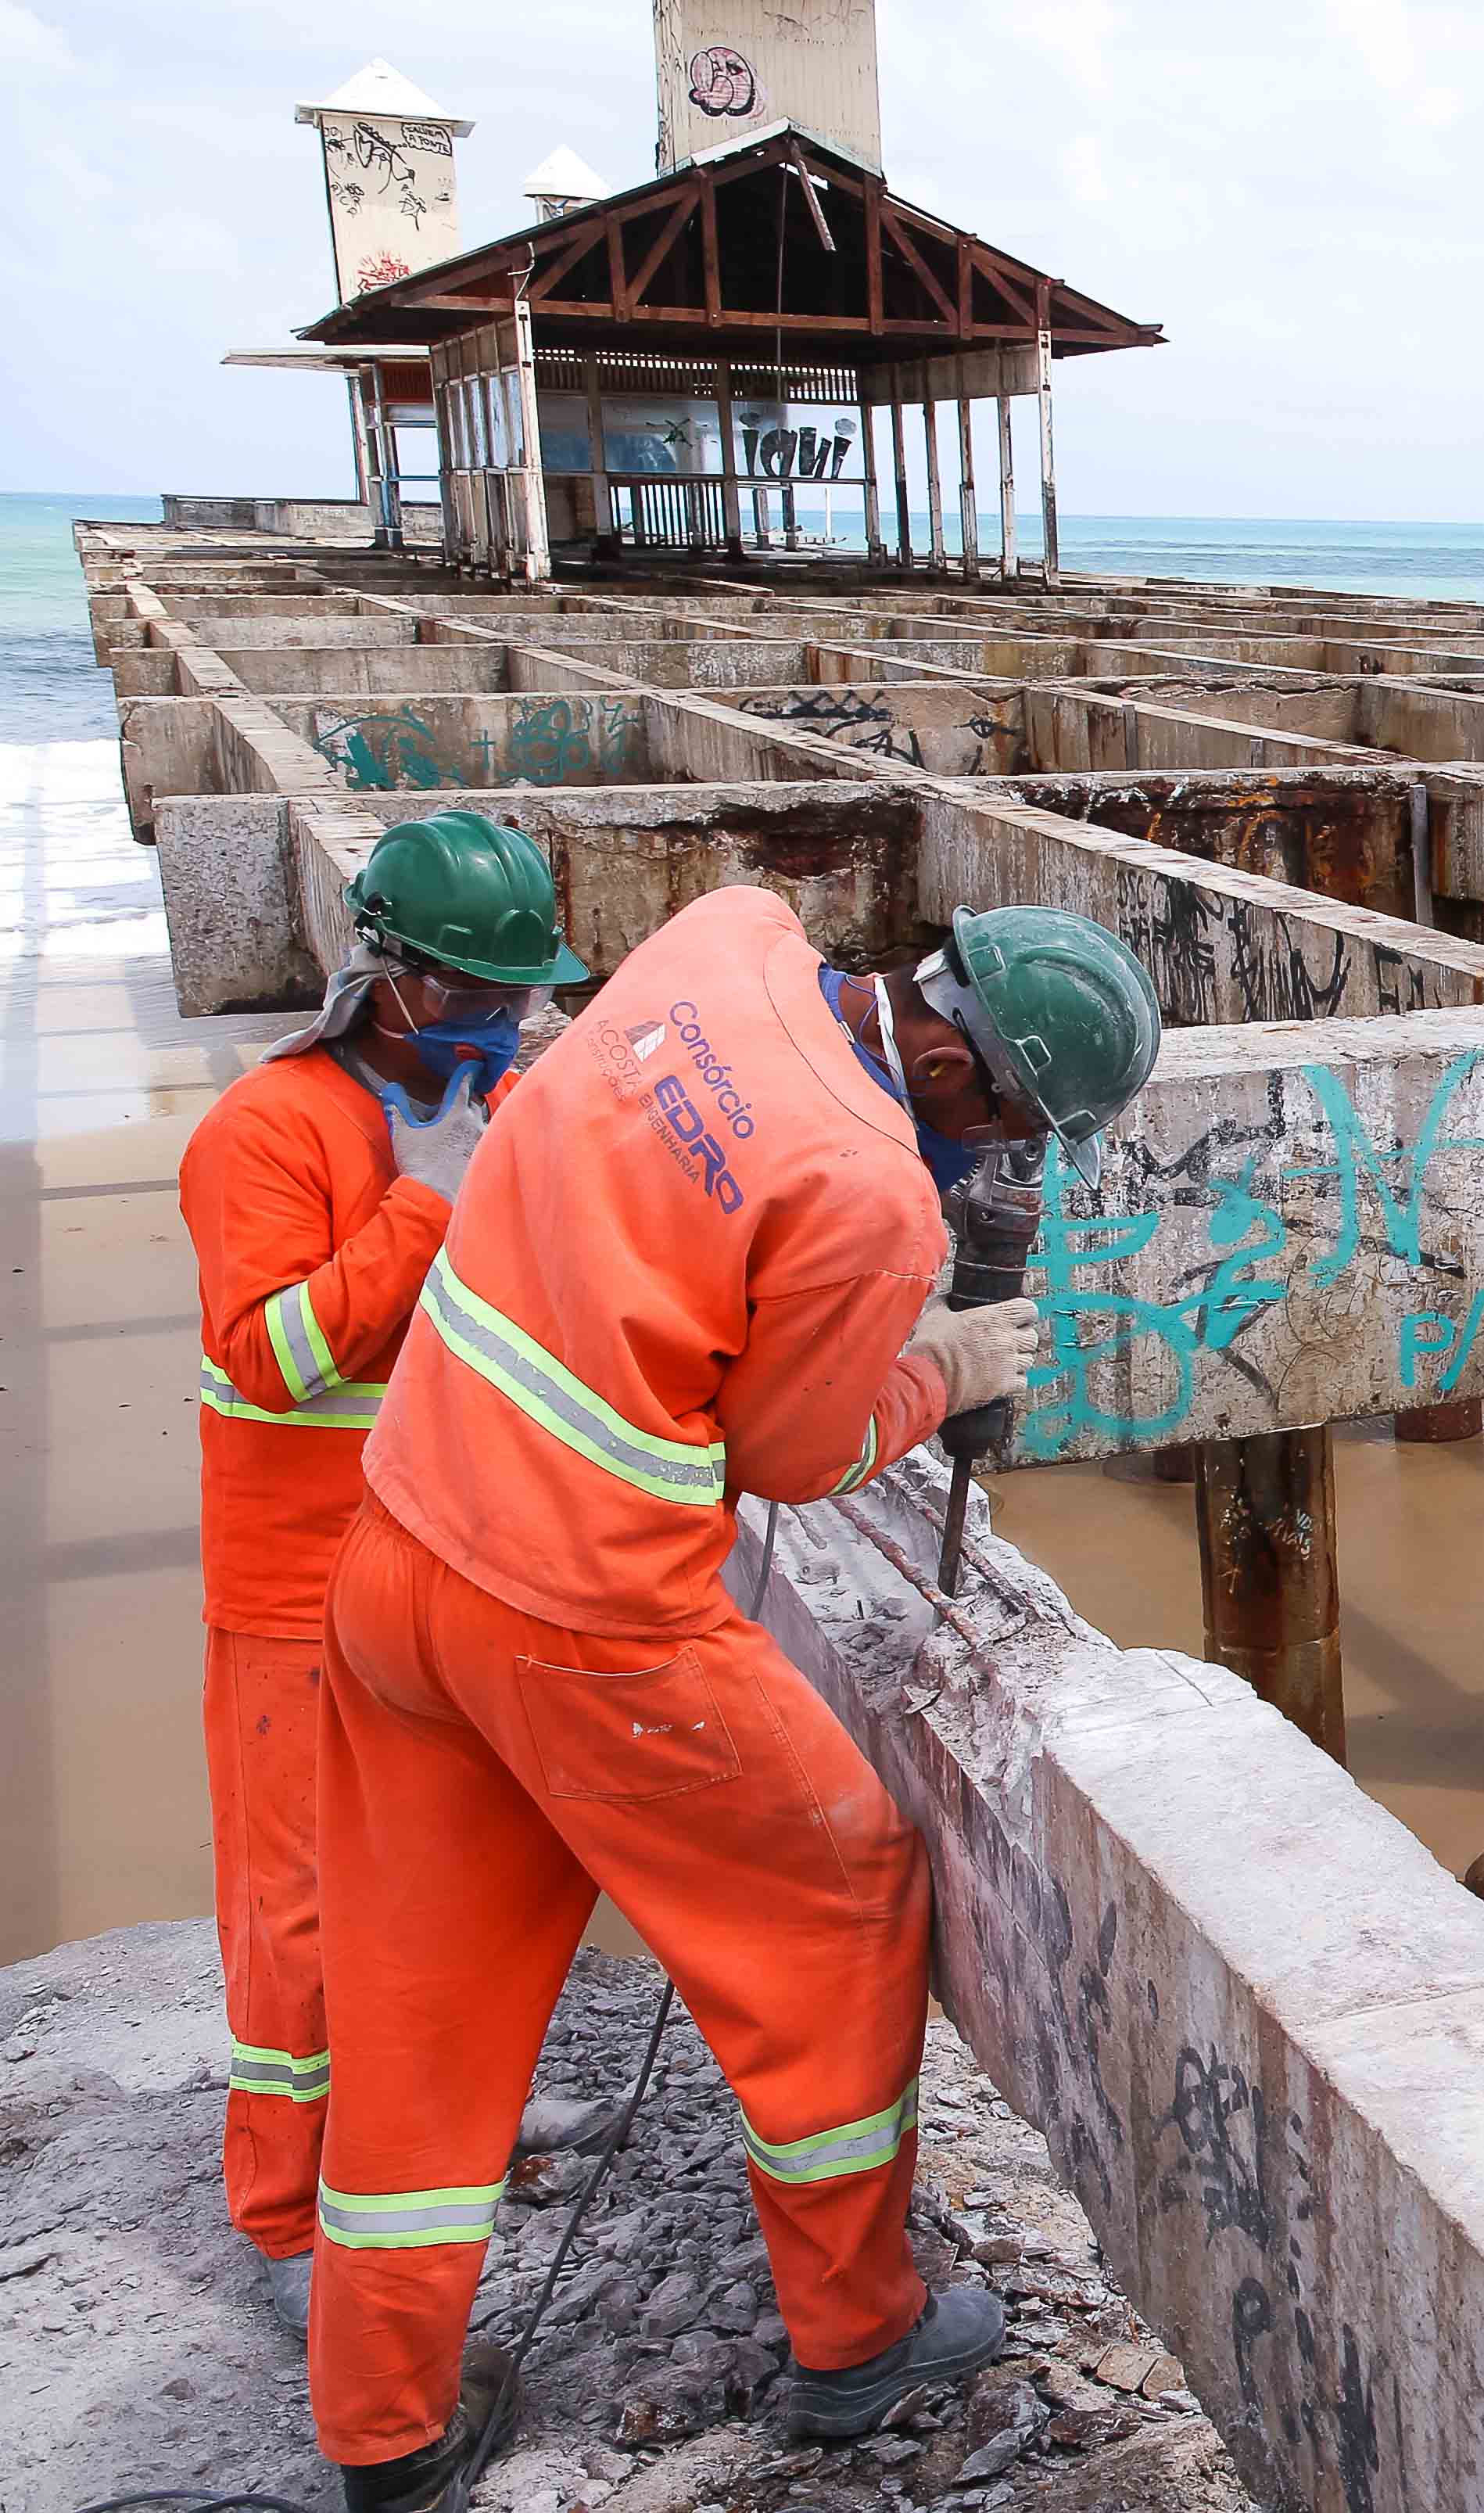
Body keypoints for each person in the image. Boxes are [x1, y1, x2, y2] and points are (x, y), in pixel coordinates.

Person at [308, 889, 1160, 2511]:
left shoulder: (726, 935)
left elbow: (696, 1210)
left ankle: (384, 2422)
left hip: (404, 1539)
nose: (998, 1164)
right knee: (839, 1894)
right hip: (584, 1622)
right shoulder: (870, 1191)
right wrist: (944, 1367)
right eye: (1007, 1128)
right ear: (953, 1068)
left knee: (426, 1999)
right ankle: (859, 2330)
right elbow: (785, 1450)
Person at [178, 812, 589, 2333]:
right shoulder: (268, 1132)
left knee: (455, 1882)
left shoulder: (495, 1107)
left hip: (449, 1573)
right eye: (474, 996)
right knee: (295, 1912)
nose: (502, 1024)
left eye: (518, 998)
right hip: (295, 1590)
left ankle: (454, 2134)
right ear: (391, 976)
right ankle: (289, 2216)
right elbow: (269, 1356)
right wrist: (426, 1200)